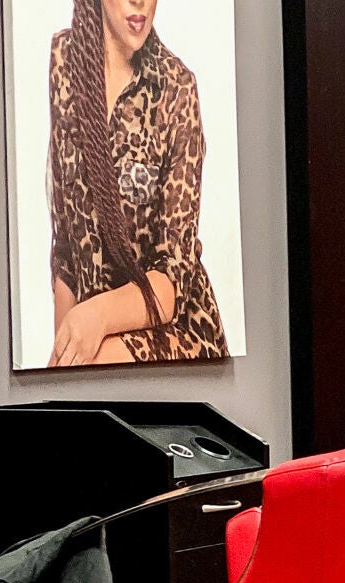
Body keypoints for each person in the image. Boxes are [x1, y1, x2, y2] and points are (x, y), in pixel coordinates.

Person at [48, 0, 229, 367]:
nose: (140, 2)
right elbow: (66, 243)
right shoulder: (64, 59)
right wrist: (59, 361)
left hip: (178, 328)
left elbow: (172, 276)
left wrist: (95, 317)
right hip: (92, 330)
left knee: (94, 364)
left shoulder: (175, 88)